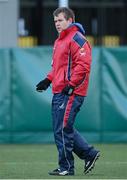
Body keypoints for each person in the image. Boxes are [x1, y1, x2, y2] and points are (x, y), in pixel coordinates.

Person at [36, 7, 100, 176]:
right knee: (63, 127)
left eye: (61, 20)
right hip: (59, 91)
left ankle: (66, 167)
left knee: (63, 129)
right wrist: (48, 80)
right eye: (55, 21)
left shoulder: (77, 38)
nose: (57, 23)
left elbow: (84, 66)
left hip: (71, 92)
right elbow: (57, 68)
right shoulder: (59, 42)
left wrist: (71, 85)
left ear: (70, 20)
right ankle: (89, 154)